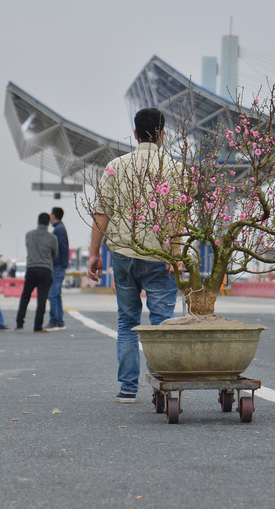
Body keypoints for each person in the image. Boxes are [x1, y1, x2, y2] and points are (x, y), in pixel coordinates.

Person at [87, 108, 181, 404]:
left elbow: (102, 214)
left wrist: (94, 254)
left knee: (127, 322)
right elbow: (176, 215)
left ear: (136, 132)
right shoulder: (174, 168)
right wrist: (175, 253)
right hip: (158, 255)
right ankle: (160, 384)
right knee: (161, 322)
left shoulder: (115, 167)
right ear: (163, 134)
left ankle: (127, 388)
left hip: (123, 255)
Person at [17, 212, 58, 332]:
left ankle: (19, 323)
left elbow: (28, 247)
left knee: (25, 296)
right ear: (48, 224)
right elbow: (54, 253)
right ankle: (37, 326)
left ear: (37, 222)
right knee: (42, 299)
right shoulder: (52, 238)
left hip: (31, 268)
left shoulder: (28, 235)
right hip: (45, 269)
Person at [46, 206, 69, 330]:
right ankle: (59, 320)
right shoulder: (60, 228)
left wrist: (62, 264)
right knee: (56, 294)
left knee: (53, 294)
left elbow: (63, 247)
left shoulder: (58, 230)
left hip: (57, 266)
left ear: (53, 215)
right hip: (59, 265)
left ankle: (54, 320)